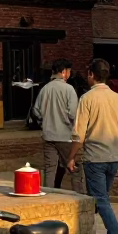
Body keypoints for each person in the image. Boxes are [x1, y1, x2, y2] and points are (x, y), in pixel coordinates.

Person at [67, 58, 118, 234]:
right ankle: (83, 231)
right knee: (99, 199)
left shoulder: (87, 99)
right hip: (114, 156)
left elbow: (79, 133)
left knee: (100, 199)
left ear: (91, 75)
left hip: (95, 158)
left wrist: (71, 156)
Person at [32, 57, 81, 191]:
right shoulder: (69, 89)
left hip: (48, 135)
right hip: (65, 135)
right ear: (64, 72)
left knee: (50, 169)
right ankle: (80, 196)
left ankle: (49, 196)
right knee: (73, 168)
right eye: (69, 71)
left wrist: (45, 121)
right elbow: (73, 113)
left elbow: (36, 111)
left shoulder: (45, 89)